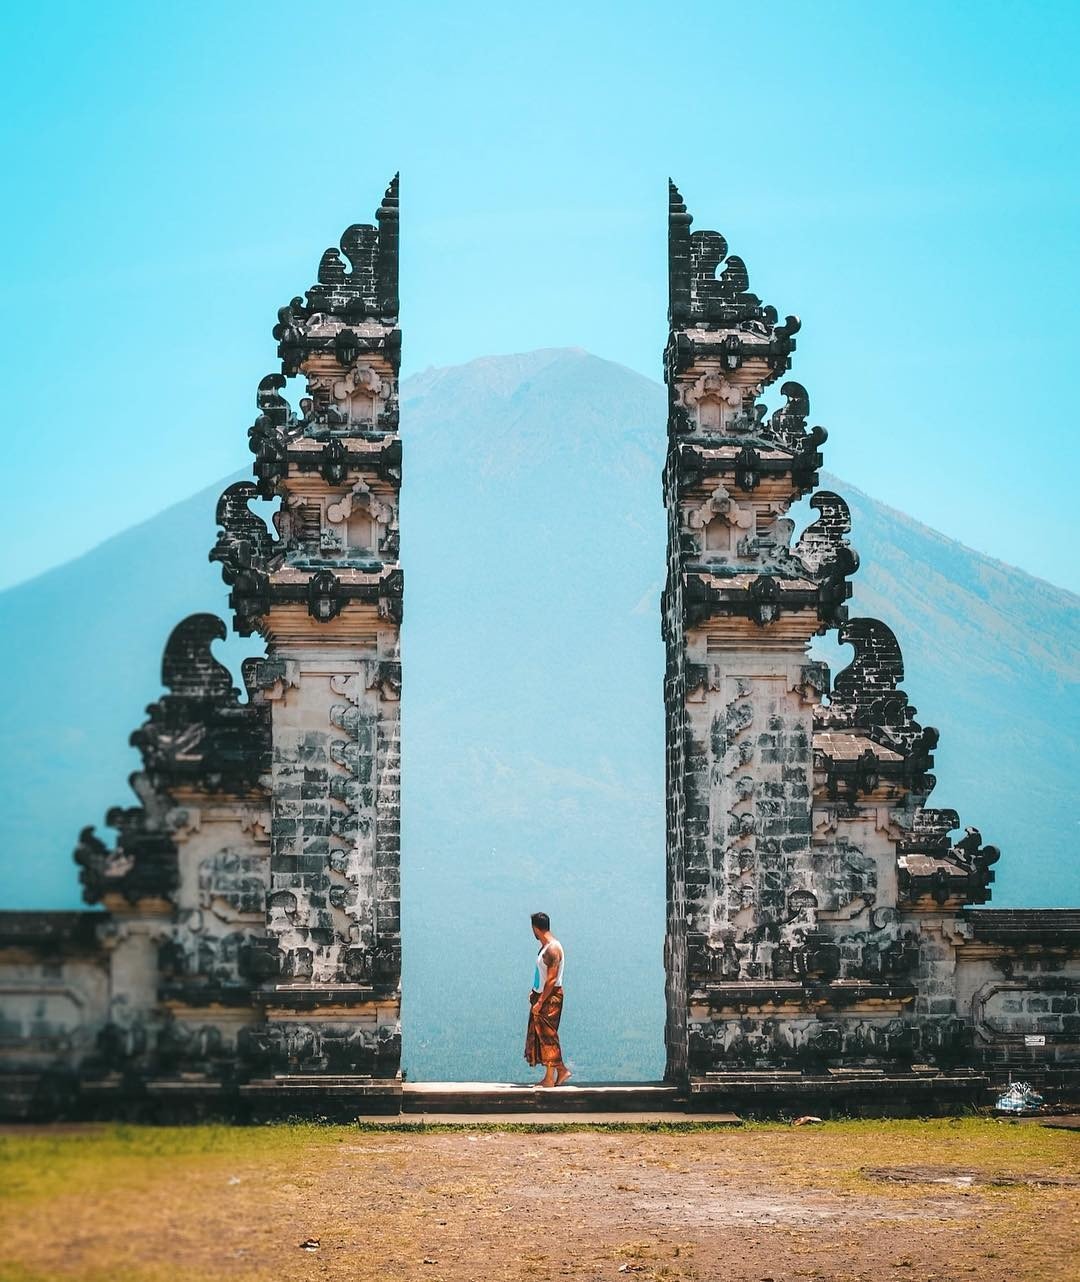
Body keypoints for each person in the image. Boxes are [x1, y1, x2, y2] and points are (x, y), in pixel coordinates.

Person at [524, 911, 570, 1087]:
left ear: (536, 928)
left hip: (549, 997)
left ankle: (557, 1073)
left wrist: (541, 1001)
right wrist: (534, 990)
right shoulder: (545, 947)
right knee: (542, 1036)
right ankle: (551, 1076)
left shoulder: (552, 949)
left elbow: (551, 979)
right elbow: (542, 975)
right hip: (542, 993)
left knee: (548, 1035)